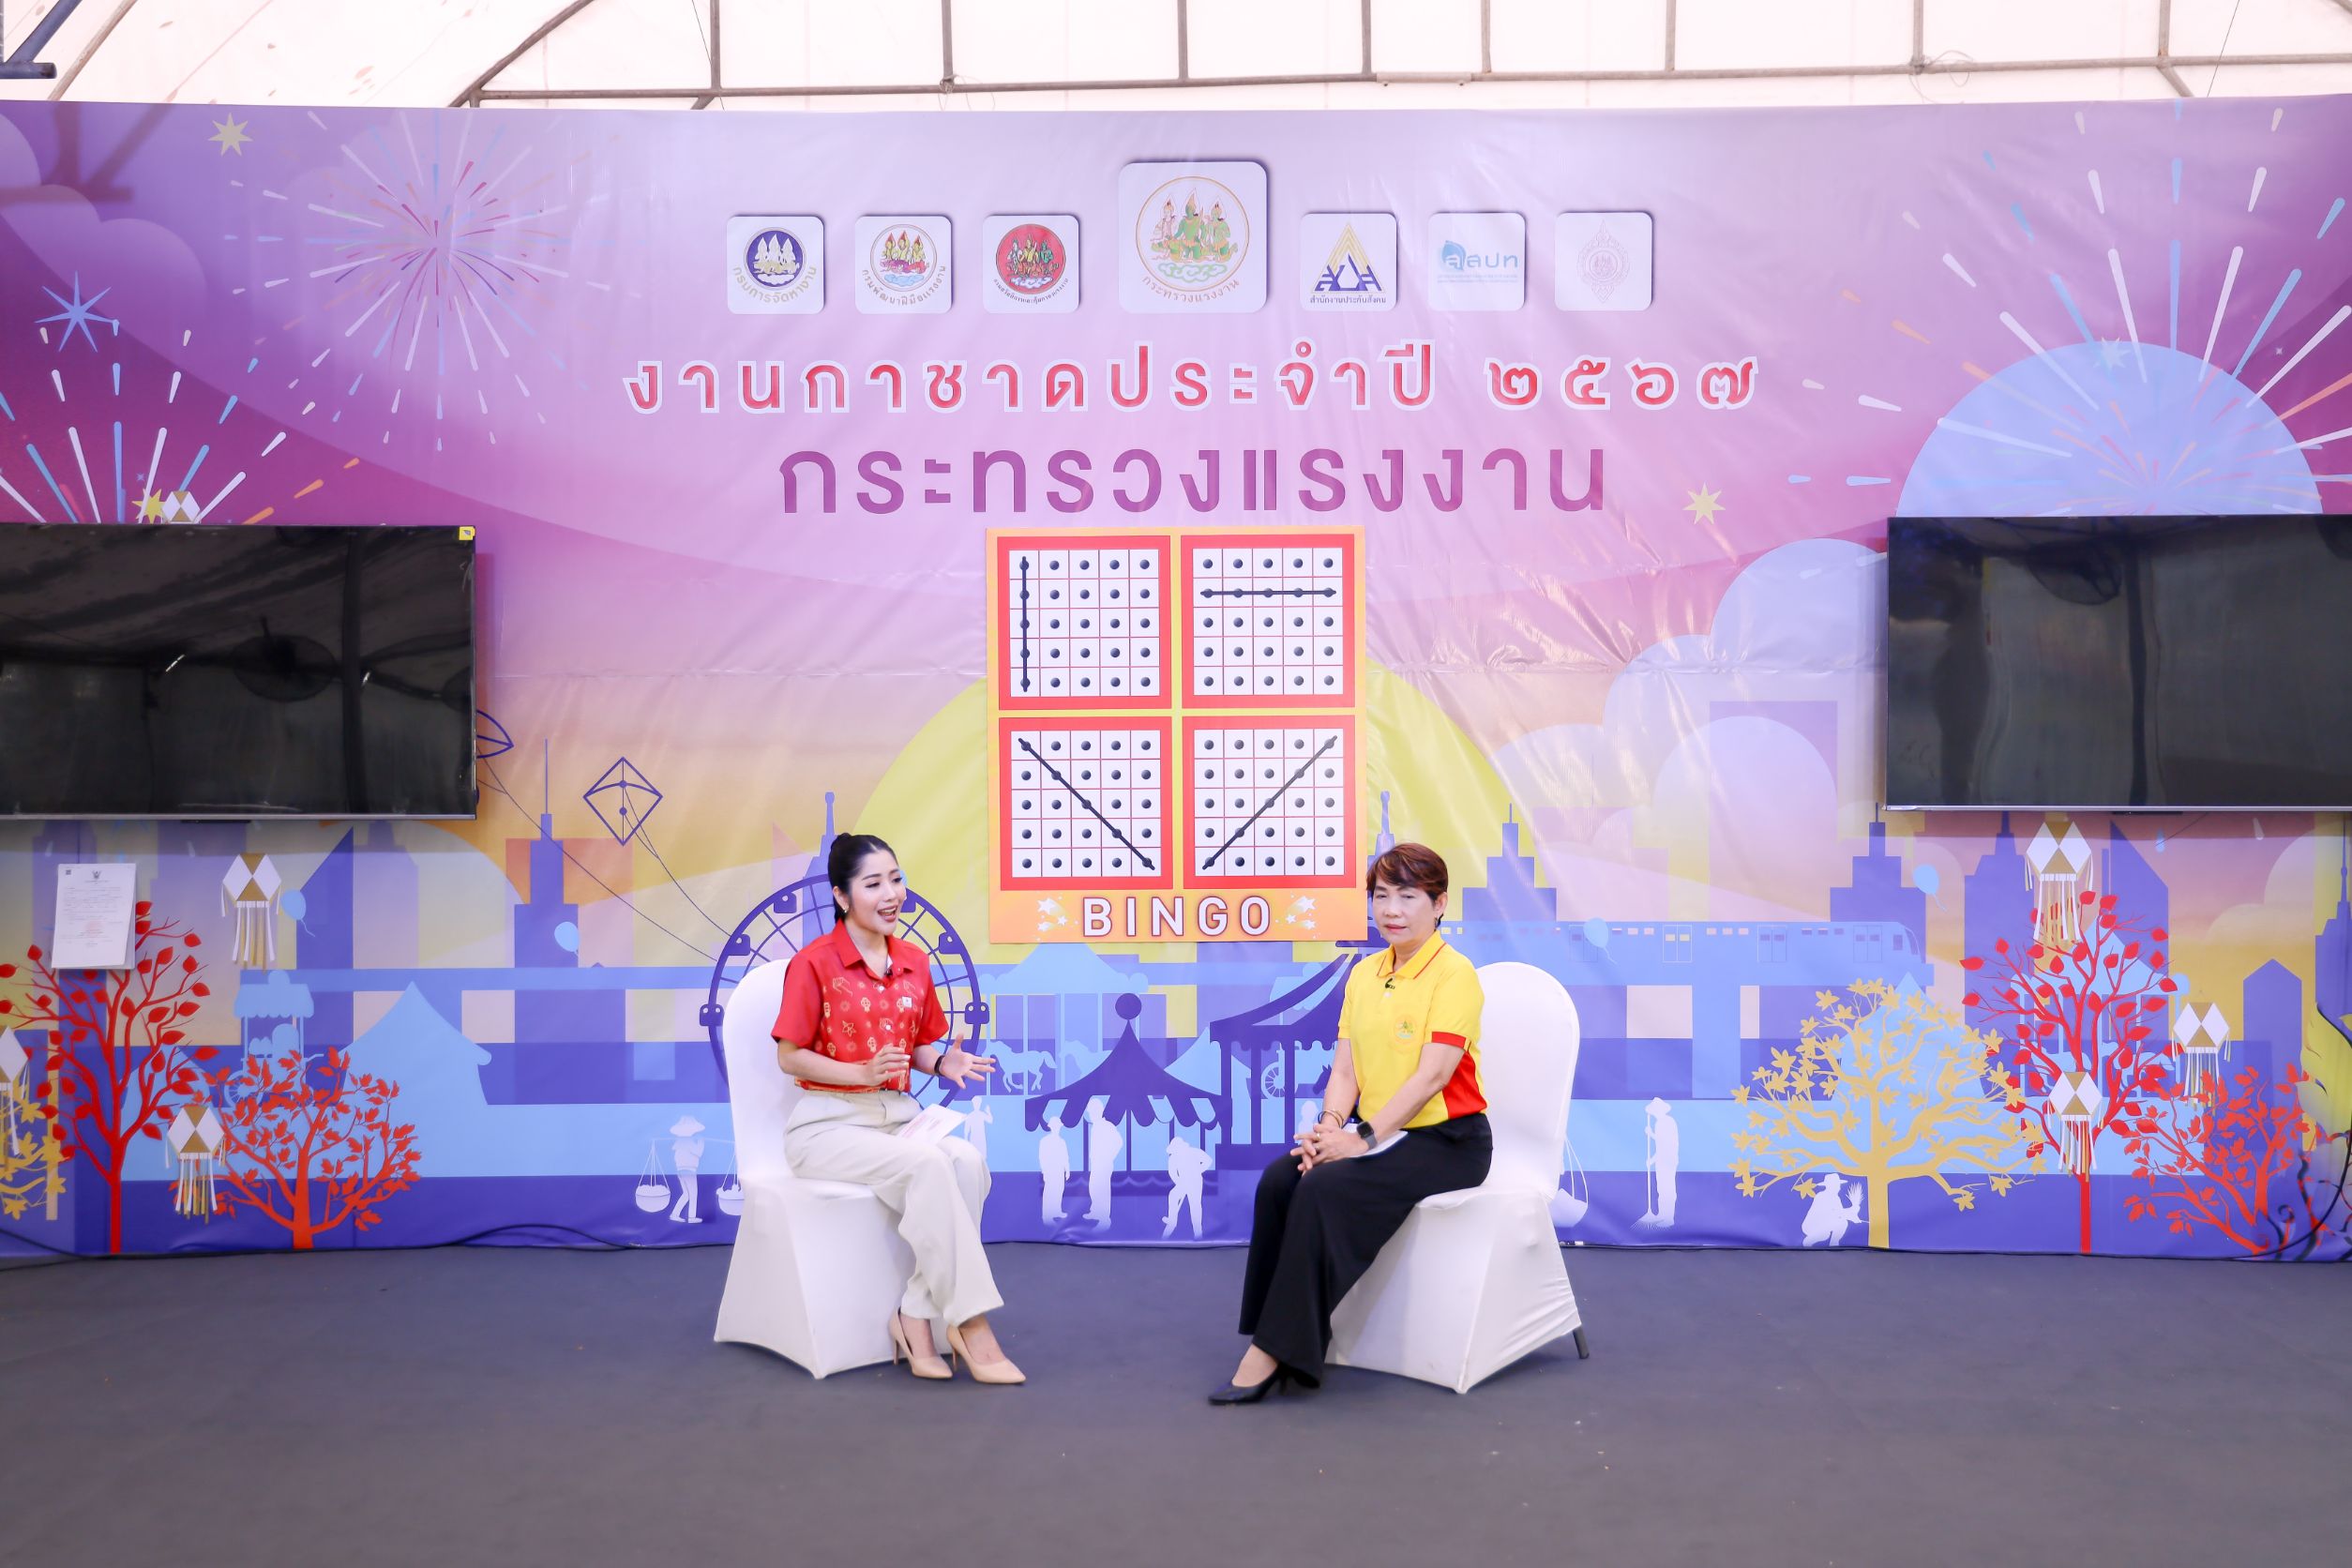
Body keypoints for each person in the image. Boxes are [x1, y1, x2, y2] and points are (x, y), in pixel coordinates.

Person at [1212, 843, 1491, 1404]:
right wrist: (1328, 1130)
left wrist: (1360, 1140)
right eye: (1381, 896)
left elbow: (1432, 1077)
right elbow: (1346, 1067)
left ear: (1439, 904)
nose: (1392, 910)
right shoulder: (1365, 974)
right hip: (1378, 1132)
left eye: (1408, 897)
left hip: (1448, 1140)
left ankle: (1271, 1351)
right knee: (1281, 1179)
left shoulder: (1455, 975)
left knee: (1325, 1188)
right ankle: (1286, 1334)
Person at [772, 834, 1025, 1386]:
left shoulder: (913, 961)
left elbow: (918, 1048)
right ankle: (971, 1322)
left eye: (895, 879)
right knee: (930, 1165)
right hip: (827, 1125)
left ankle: (913, 1313)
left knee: (966, 1163)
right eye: (873, 884)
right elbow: (789, 1057)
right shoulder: (814, 964)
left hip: (897, 1117)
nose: (891, 894)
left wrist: (943, 1063)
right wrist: (861, 1074)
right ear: (842, 896)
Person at [1037, 1113, 1071, 1227]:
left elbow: (1065, 1157)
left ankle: (1057, 1211)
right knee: (1050, 1191)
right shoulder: (1045, 1141)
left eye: (1058, 1126)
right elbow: (1042, 1157)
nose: (1057, 1128)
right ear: (1051, 1127)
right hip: (1050, 1170)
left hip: (1060, 1170)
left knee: (1059, 1190)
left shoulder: (1062, 1141)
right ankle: (1047, 1215)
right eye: (1055, 1126)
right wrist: (1044, 1171)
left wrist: (1067, 1169)